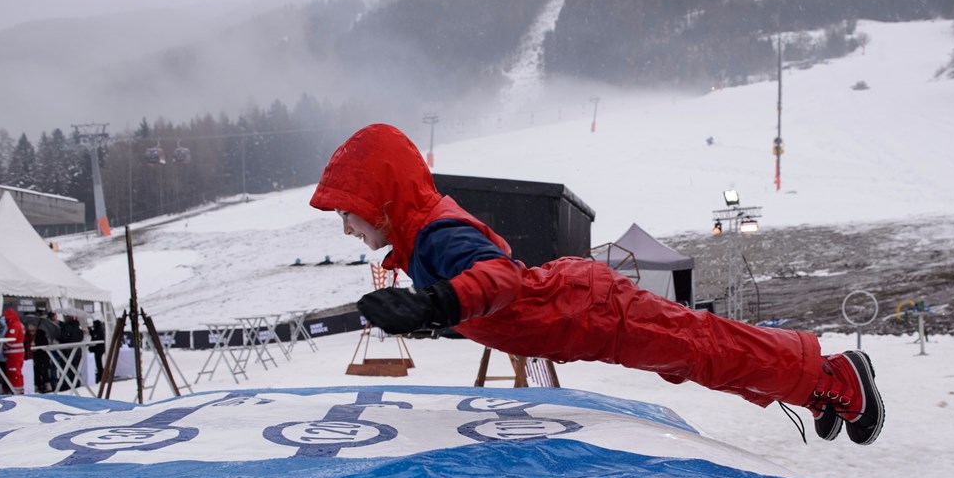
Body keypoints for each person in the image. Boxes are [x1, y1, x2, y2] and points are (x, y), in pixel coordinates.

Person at [309, 124, 885, 445]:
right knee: (695, 354)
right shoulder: (421, 233)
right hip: (578, 313)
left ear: (382, 195)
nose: (344, 224)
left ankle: (829, 375)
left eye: (347, 210)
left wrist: (434, 303)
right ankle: (808, 385)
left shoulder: (435, 235)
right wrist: (431, 302)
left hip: (588, 310)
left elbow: (500, 276)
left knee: (702, 349)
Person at [1, 307, 26, 395]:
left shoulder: (14, 325)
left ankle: (17, 392)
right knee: (15, 373)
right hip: (17, 354)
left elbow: (11, 340)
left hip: (14, 354)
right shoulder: (19, 324)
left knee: (14, 372)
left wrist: (3, 348)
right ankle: (18, 390)